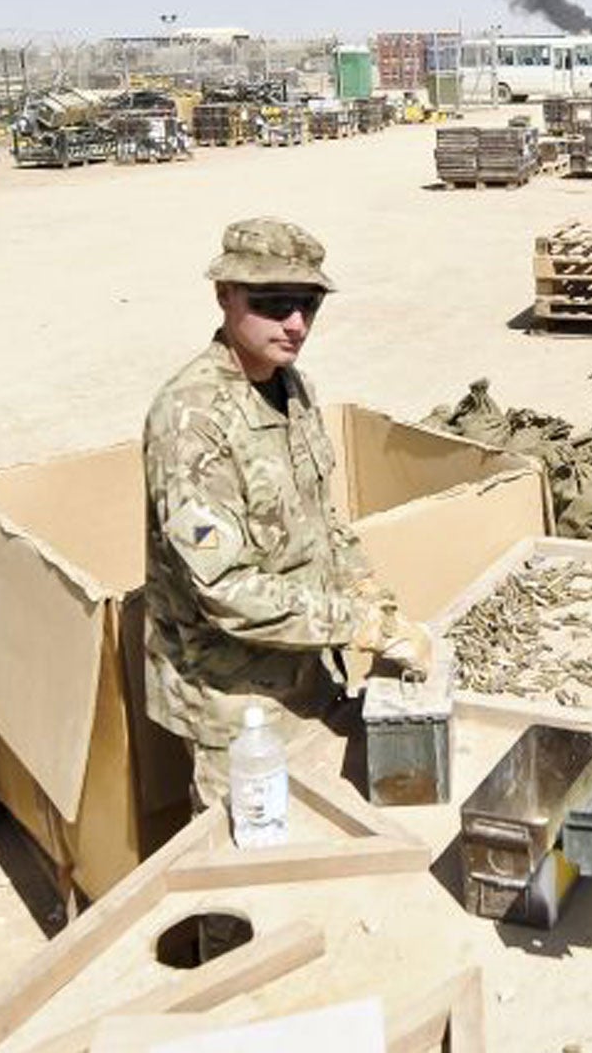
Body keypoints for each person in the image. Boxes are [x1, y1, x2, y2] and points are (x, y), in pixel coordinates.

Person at [142, 216, 434, 814]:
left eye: (308, 304)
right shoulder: (192, 419)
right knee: (251, 863)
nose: (296, 323)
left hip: (307, 674)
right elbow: (225, 590)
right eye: (274, 303)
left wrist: (371, 595)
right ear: (224, 295)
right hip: (235, 704)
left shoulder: (290, 386)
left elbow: (321, 519)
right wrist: (359, 624)